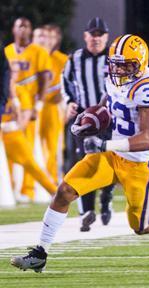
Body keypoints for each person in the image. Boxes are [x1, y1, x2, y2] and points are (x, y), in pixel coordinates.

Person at [10, 34, 149, 273]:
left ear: (140, 63)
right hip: (112, 157)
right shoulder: (114, 77)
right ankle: (40, 253)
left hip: (141, 164)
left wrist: (104, 145)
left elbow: (148, 140)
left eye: (125, 65)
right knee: (65, 191)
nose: (119, 70)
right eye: (115, 64)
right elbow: (106, 104)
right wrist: (91, 117)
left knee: (142, 225)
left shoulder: (148, 87)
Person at [61, 17, 114, 231]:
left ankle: (106, 197)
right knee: (83, 163)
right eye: (93, 34)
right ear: (85, 36)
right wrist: (70, 102)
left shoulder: (114, 58)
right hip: (83, 118)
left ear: (106, 36)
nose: (96, 38)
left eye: (100, 34)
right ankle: (86, 211)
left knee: (108, 163)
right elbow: (64, 83)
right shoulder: (74, 59)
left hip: (109, 119)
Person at [4, 17, 52, 202]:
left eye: (26, 26)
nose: (23, 29)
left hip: (28, 103)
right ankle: (10, 187)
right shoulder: (7, 50)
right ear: (13, 29)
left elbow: (45, 77)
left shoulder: (38, 51)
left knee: (28, 150)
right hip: (10, 102)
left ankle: (28, 189)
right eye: (19, 26)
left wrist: (38, 104)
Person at [39, 25, 68, 184]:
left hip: (53, 106)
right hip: (37, 106)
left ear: (57, 40)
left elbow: (67, 86)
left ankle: (53, 178)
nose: (47, 40)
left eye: (52, 37)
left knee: (53, 145)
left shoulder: (63, 59)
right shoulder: (36, 56)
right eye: (45, 36)